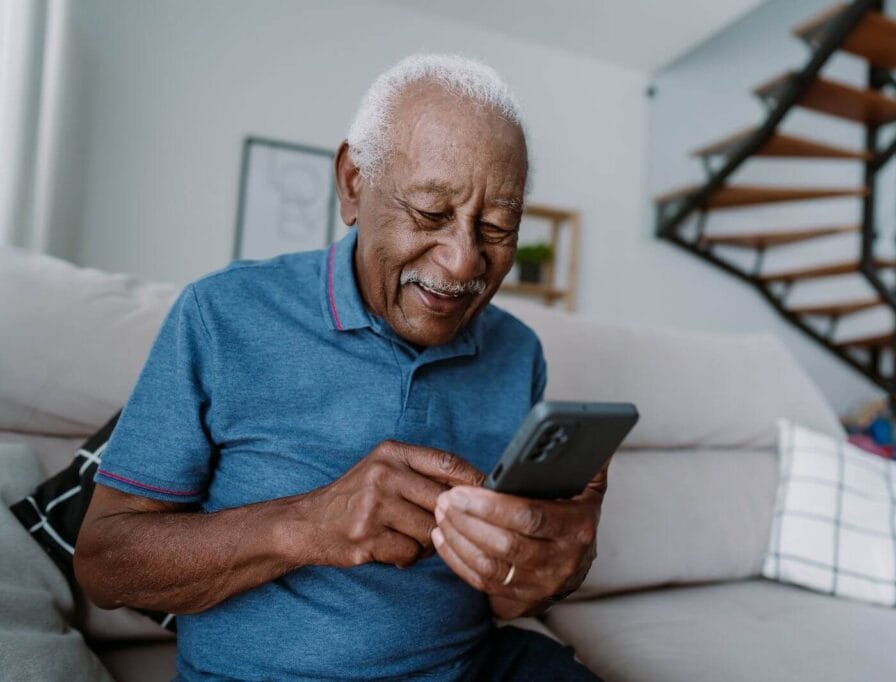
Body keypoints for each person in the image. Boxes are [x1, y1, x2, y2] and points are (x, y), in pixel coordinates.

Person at [75, 53, 605, 681]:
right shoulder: (221, 315)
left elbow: (508, 596)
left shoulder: (519, 354)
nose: (464, 262)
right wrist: (307, 523)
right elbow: (104, 565)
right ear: (354, 182)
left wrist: (551, 567)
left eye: (496, 226)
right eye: (431, 213)